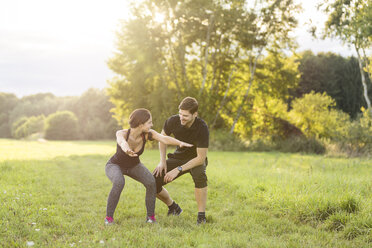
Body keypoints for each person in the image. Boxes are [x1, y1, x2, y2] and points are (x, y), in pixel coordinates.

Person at [104, 108, 192, 225]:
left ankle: (150, 218)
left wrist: (180, 143)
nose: (152, 124)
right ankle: (108, 219)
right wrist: (126, 149)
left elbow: (164, 138)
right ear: (141, 124)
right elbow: (122, 142)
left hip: (134, 165)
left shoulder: (147, 135)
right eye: (149, 122)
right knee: (119, 182)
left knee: (151, 182)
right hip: (115, 165)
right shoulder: (122, 133)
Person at [153, 97, 209, 224]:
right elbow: (162, 139)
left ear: (195, 114)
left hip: (195, 159)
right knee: (152, 181)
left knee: (200, 175)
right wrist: (162, 161)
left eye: (185, 116)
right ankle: (173, 208)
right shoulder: (173, 121)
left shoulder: (202, 127)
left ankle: (201, 216)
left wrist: (178, 170)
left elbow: (200, 158)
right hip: (178, 156)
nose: (181, 118)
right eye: (180, 114)